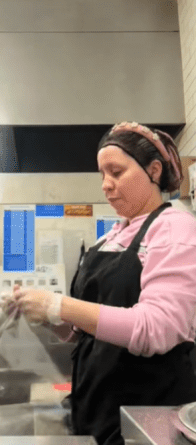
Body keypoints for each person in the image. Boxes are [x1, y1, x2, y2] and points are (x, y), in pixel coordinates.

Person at [12, 122, 196, 445]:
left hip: (146, 419)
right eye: (102, 175)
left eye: (116, 172)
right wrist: (46, 317)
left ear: (154, 171)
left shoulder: (174, 229)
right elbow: (85, 331)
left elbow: (154, 328)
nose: (106, 185)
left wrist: (59, 304)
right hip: (97, 408)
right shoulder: (109, 238)